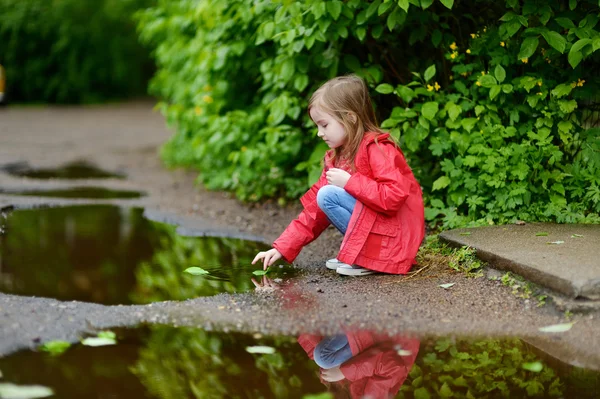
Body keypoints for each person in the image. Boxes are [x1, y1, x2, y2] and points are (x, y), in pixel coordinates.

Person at [252, 74, 424, 276]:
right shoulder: (338, 157)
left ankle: (368, 258)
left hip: (394, 240)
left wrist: (350, 182)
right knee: (323, 196)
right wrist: (282, 247)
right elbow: (314, 211)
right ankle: (361, 255)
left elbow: (393, 196)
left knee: (328, 195)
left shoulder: (378, 148)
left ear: (350, 118)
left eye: (324, 125)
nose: (319, 133)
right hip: (380, 232)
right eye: (317, 126)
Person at [298, 330, 420, 399]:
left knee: (322, 358)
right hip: (385, 334)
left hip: (361, 339)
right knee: (323, 359)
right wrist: (343, 372)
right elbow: (391, 367)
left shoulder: (343, 392)